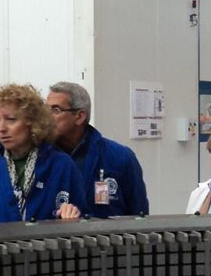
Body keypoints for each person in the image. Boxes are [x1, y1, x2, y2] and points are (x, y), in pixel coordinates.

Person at [0, 83, 87, 225]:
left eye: (11, 119)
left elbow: (85, 218)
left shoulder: (62, 165)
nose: (1, 128)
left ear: (32, 122)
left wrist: (73, 213)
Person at [47, 81, 149, 218]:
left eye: (56, 110)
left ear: (80, 116)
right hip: (55, 232)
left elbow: (140, 216)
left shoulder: (120, 158)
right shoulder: (40, 158)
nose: (46, 117)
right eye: (45, 110)